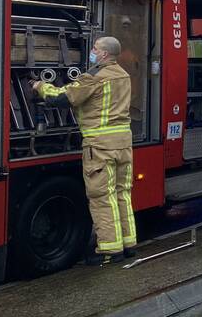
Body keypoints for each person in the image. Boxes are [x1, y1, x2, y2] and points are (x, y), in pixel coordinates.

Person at [33, 36, 135, 265]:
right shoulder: (123, 75)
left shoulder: (94, 78)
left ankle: (110, 250)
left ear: (105, 54)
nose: (92, 51)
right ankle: (129, 244)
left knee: (102, 197)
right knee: (122, 194)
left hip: (100, 145)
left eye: (95, 49)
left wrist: (39, 86)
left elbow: (61, 97)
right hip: (123, 144)